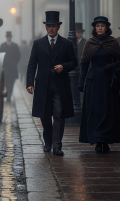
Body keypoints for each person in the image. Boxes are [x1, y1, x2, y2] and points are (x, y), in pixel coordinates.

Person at [26, 11, 78, 156]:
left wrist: (63, 67)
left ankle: (57, 146)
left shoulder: (67, 43)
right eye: (49, 26)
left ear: (58, 27)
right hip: (43, 85)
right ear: (46, 27)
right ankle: (48, 142)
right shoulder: (38, 44)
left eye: (53, 26)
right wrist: (29, 83)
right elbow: (32, 65)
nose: (51, 28)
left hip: (60, 86)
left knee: (59, 114)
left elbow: (74, 62)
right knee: (45, 115)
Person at [78, 16, 120, 153]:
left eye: (102, 26)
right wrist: (81, 81)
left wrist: (110, 66)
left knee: (108, 110)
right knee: (95, 110)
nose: (100, 28)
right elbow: (84, 63)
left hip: (108, 81)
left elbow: (119, 60)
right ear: (94, 28)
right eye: (97, 26)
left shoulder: (112, 42)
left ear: (106, 28)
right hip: (93, 80)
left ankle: (106, 140)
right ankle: (97, 140)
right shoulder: (90, 42)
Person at [0, 31, 21, 101]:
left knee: (11, 83)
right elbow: (0, 55)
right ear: (6, 37)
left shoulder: (15, 45)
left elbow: (18, 56)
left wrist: (14, 63)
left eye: (10, 37)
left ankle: (9, 96)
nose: (9, 38)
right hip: (5, 68)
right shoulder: (3, 45)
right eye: (8, 37)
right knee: (5, 82)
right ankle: (7, 94)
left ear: (11, 37)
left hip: (13, 68)